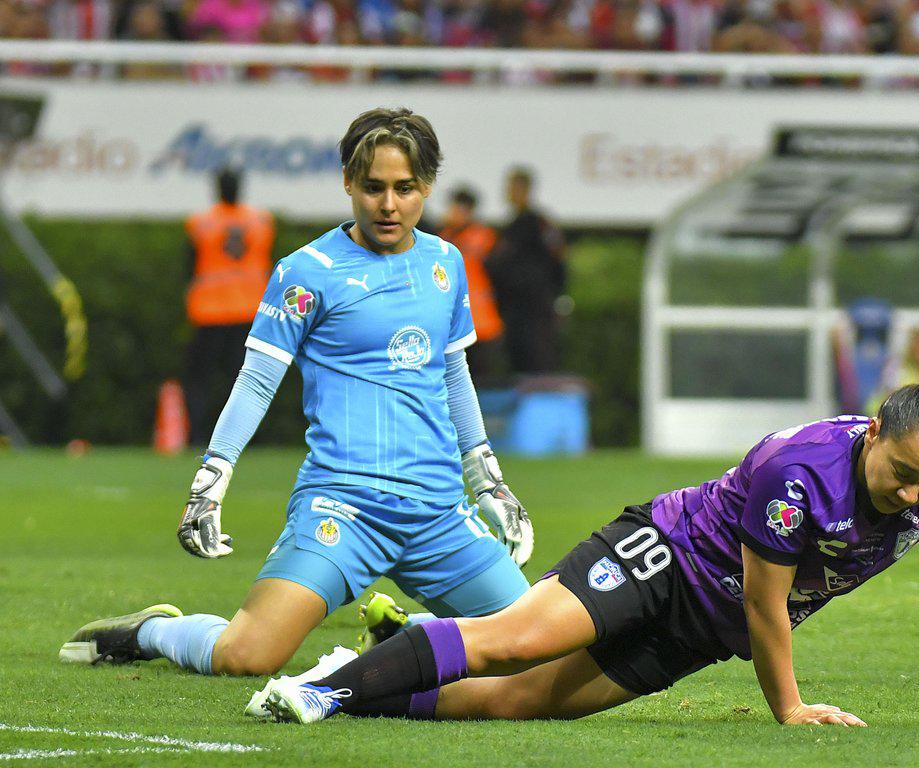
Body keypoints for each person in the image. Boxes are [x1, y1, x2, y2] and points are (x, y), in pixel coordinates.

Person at [260, 375, 919, 731]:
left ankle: (357, 678)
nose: (913, 496)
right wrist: (791, 709)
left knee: (518, 703)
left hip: (705, 628)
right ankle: (316, 690)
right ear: (874, 432)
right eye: (902, 475)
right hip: (665, 554)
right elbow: (769, 605)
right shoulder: (797, 471)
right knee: (511, 640)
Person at [59, 108, 535, 689]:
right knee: (248, 656)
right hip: (343, 507)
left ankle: (401, 636)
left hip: (438, 511)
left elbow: (453, 372)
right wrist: (211, 481)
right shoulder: (307, 272)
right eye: (374, 187)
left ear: (426, 186)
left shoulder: (446, 262)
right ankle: (153, 631)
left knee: (537, 646)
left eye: (405, 188)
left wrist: (487, 478)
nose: (389, 204)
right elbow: (257, 381)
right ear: (347, 182)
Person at [182, 167, 275, 446]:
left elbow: (189, 267)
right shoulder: (261, 221)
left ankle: (197, 436)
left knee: (199, 379)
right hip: (248, 309)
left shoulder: (201, 223)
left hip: (209, 311)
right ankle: (248, 437)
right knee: (247, 378)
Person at [484, 167, 567, 375]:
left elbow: (558, 260)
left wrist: (553, 294)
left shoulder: (539, 224)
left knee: (538, 359)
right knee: (517, 359)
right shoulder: (510, 227)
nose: (512, 193)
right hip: (513, 307)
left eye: (516, 188)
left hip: (536, 307)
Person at [438, 186, 506, 385]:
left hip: (484, 326)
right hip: (452, 326)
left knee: (482, 384)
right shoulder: (441, 239)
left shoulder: (486, 239)